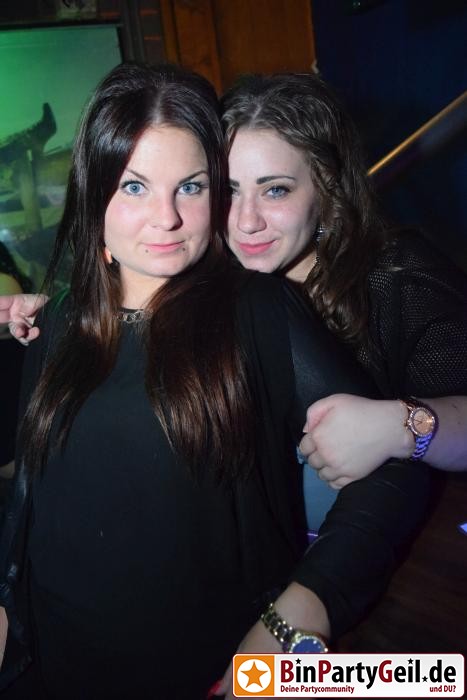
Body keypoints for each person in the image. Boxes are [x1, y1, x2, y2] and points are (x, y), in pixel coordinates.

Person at [0, 63, 430, 699]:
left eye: (191, 187)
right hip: (45, 667)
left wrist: (302, 609)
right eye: (135, 186)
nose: (167, 218)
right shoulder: (58, 321)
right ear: (94, 195)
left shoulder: (257, 312)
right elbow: (36, 501)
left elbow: (393, 473)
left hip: (196, 672)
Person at [220, 73, 467, 512]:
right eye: (229, 191)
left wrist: (399, 425)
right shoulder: (209, 284)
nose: (246, 221)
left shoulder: (397, 276)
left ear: (325, 189)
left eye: (275, 190)